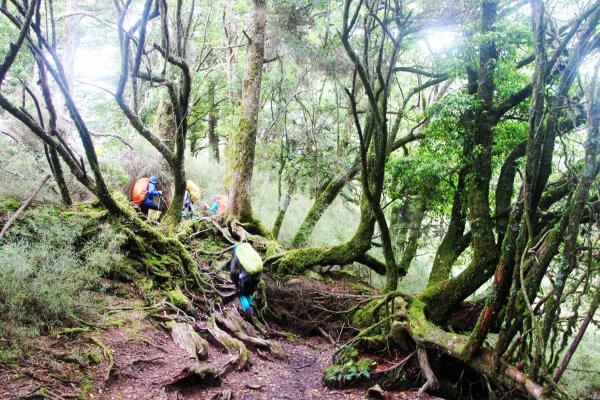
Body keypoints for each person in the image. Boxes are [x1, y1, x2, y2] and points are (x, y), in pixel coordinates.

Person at [230, 243, 263, 319]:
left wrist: (235, 282)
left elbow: (232, 271)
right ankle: (252, 309)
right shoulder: (249, 255)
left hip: (245, 279)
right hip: (256, 277)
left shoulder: (236, 258)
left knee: (242, 295)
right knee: (250, 293)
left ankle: (248, 313)